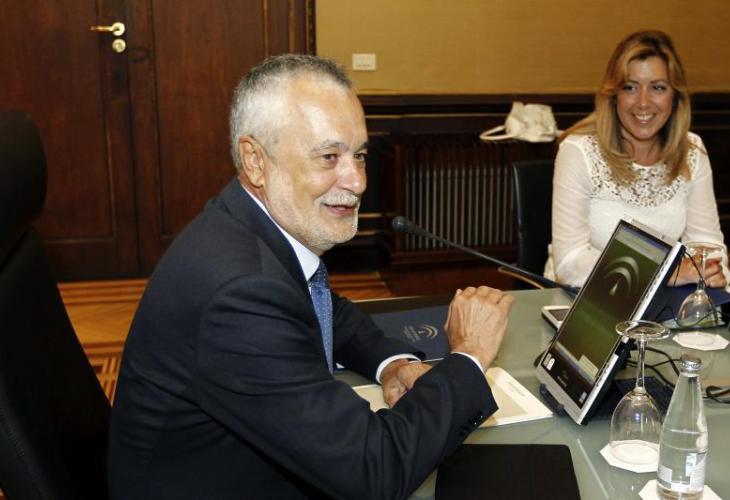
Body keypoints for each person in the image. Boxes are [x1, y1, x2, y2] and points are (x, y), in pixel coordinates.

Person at [108, 54, 515, 499]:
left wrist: (392, 364)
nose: (357, 181)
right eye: (329, 156)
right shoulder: (240, 294)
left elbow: (322, 307)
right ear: (255, 160)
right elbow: (373, 471)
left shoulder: (245, 226)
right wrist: (469, 355)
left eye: (359, 155)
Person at [545, 30, 729, 289]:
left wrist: (710, 271)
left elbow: (708, 245)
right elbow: (570, 262)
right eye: (630, 87)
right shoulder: (578, 151)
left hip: (666, 299)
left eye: (657, 88)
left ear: (675, 96)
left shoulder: (692, 150)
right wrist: (665, 274)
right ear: (614, 96)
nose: (643, 103)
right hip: (581, 297)